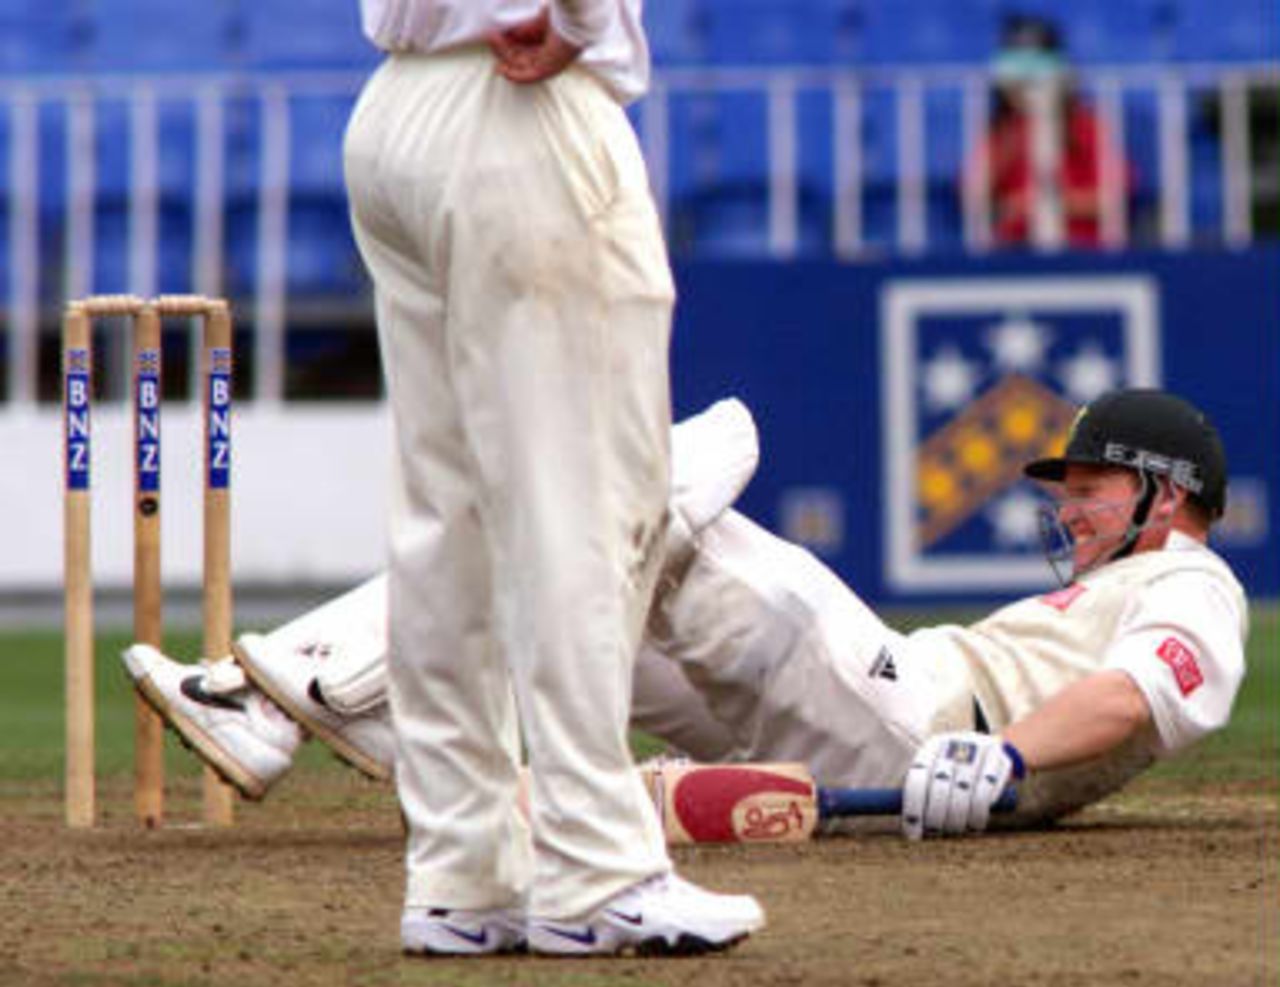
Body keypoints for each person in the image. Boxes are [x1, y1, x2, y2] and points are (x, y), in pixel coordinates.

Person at [127, 388, 1248, 842]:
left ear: (1168, 492)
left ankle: (293, 693)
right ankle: (280, 701)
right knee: (578, 598)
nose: (1067, 509)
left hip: (921, 722)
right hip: (894, 729)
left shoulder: (1191, 584)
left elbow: (1128, 697)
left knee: (709, 447)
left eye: (1088, 488)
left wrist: (999, 757)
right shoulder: (1119, 580)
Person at [336, 0, 762, 958]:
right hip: (521, 106)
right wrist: (573, 16)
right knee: (586, 501)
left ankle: (462, 870)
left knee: (448, 519)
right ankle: (595, 868)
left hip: (395, 110)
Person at [963, 13, 1133, 248]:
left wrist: (1046, 204)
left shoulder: (1088, 127)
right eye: (1017, 80)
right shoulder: (1001, 132)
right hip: (1013, 252)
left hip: (1083, 249)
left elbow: (1113, 198)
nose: (1025, 88)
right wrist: (1010, 145)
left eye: (1034, 77)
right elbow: (974, 195)